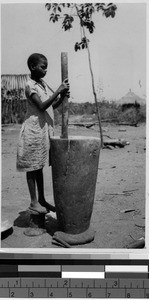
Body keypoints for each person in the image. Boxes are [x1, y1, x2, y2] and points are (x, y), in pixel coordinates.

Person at [16, 53, 69, 214]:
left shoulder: (42, 84)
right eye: (42, 67)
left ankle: (42, 200)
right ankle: (33, 202)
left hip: (42, 130)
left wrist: (62, 96)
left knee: (39, 166)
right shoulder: (29, 85)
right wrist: (58, 89)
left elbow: (51, 106)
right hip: (33, 131)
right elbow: (41, 106)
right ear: (33, 67)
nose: (45, 70)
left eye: (46, 68)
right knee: (32, 167)